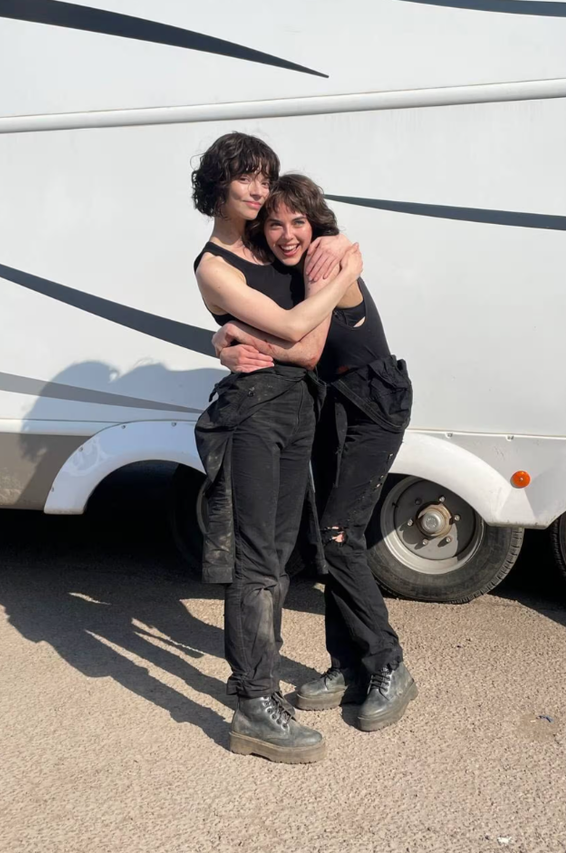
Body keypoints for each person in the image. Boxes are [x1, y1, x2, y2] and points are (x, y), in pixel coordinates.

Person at [213, 174, 417, 734]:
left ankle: (389, 665)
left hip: (372, 405)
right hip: (332, 405)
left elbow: (304, 347)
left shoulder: (326, 257)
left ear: (316, 222)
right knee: (330, 541)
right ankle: (348, 665)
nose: (287, 234)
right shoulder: (291, 266)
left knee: (340, 536)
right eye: (274, 224)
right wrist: (221, 342)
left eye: (298, 222)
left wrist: (234, 334)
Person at [191, 133, 359, 763]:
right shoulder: (214, 265)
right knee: (257, 559)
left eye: (265, 178)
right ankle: (254, 704)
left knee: (281, 556)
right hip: (254, 415)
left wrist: (340, 251)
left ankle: (256, 680)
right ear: (218, 185)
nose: (259, 190)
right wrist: (346, 275)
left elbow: (320, 238)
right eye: (246, 178)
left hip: (297, 408)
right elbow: (296, 332)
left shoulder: (268, 243)